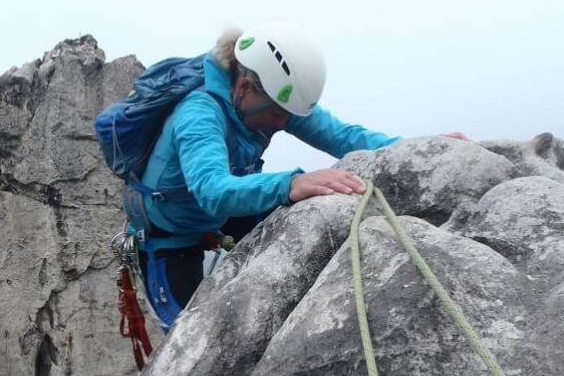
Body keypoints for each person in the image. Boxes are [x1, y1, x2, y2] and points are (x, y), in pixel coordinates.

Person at [133, 22, 406, 329]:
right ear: (245, 87)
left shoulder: (272, 100)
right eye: (277, 113)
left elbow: (341, 136)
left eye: (287, 115)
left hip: (222, 212)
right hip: (171, 235)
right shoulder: (199, 114)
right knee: (186, 337)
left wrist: (410, 148)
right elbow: (212, 190)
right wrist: (291, 183)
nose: (281, 122)